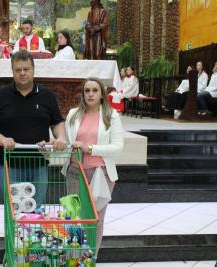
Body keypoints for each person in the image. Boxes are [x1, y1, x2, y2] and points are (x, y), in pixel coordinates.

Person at [0, 50, 67, 205]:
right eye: (18, 70)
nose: (22, 73)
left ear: (33, 70)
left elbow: (57, 122)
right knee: (13, 211)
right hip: (9, 164)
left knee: (37, 210)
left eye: (26, 69)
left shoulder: (47, 96)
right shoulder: (0, 96)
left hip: (39, 163)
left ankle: (35, 230)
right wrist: (1, 139)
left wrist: (60, 137)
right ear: (12, 71)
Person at [63, 77, 124, 257]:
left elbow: (118, 148)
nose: (90, 94)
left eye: (94, 90)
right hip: (74, 172)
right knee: (73, 217)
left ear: (102, 94)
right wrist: (55, 144)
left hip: (101, 174)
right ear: (82, 94)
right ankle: (74, 257)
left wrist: (89, 148)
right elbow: (67, 142)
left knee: (95, 219)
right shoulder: (73, 114)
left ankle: (91, 258)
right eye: (87, 90)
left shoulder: (111, 115)